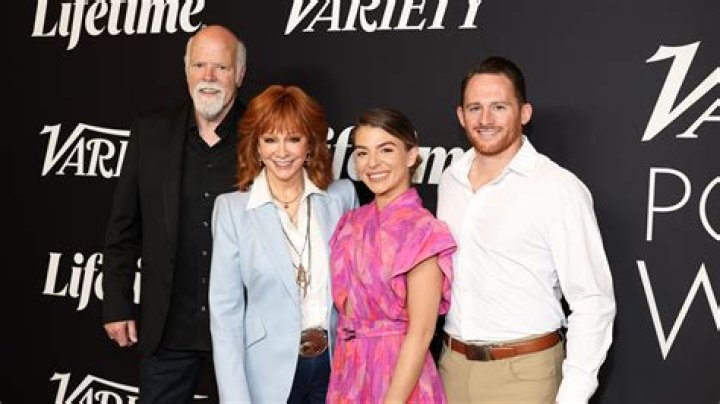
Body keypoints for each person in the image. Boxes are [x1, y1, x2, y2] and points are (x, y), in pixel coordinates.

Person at [437, 56, 616, 404]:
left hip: (527, 376)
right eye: (474, 108)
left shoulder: (557, 187)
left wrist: (573, 396)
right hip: (452, 369)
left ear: (524, 113)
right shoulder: (450, 180)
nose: (485, 119)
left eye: (499, 107)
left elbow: (592, 300)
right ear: (461, 115)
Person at [102, 25, 247, 403]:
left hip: (245, 331)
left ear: (239, 73)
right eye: (199, 65)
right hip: (167, 331)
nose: (208, 76)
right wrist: (117, 302)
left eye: (221, 67)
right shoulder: (150, 132)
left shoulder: (266, 135)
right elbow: (123, 228)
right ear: (186, 71)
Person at [209, 84, 358, 403]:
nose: (282, 152)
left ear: (310, 144)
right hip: (267, 375)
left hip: (335, 368)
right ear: (256, 146)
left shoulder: (341, 198)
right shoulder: (232, 210)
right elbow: (225, 315)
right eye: (270, 140)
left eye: (293, 138)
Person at [326, 107, 456, 403]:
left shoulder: (423, 231)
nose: (373, 163)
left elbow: (422, 333)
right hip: (348, 374)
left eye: (386, 149)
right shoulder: (350, 223)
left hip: (400, 378)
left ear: (411, 156)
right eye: (362, 153)